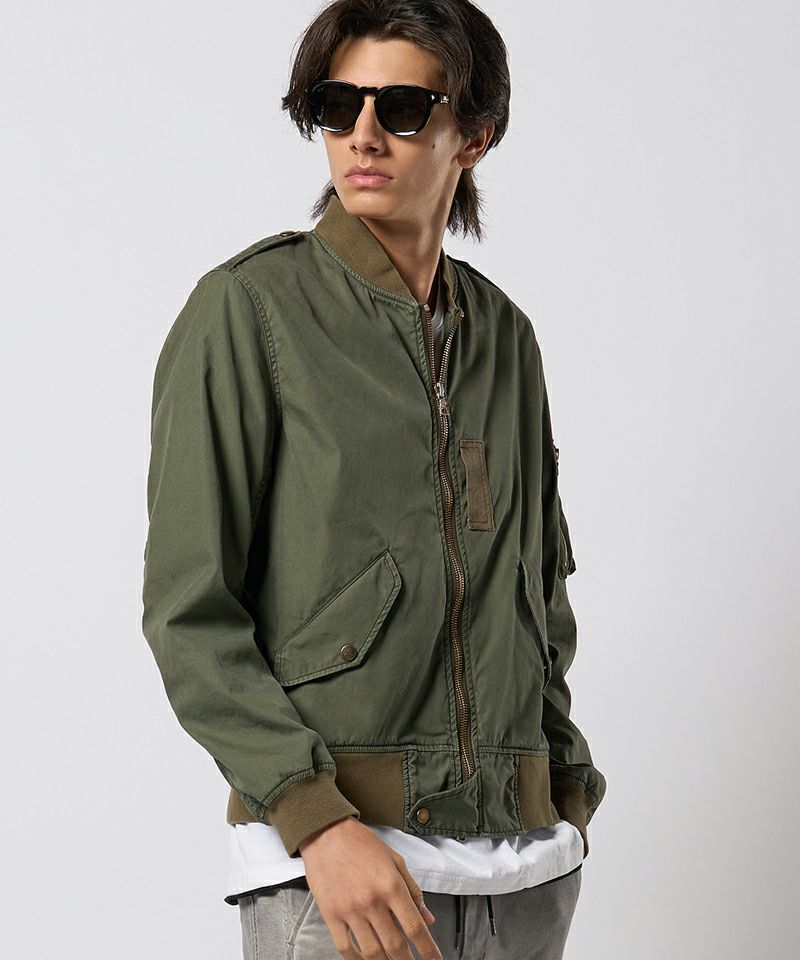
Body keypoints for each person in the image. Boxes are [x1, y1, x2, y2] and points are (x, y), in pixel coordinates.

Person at [141, 2, 607, 958]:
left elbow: (538, 592)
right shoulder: (249, 310)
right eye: (335, 104)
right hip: (340, 875)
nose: (361, 134)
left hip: (524, 874)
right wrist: (314, 819)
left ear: (473, 135)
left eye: (400, 107)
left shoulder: (505, 337)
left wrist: (565, 790)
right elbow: (190, 612)